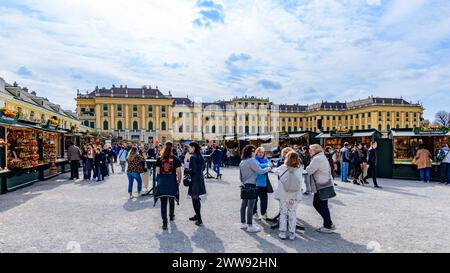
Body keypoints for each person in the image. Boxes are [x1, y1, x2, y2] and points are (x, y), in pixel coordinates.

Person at [271, 151, 303, 240]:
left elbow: (274, 171)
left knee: (283, 213)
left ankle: (282, 232)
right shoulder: (300, 168)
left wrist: (272, 167)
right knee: (292, 213)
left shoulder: (282, 167)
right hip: (295, 195)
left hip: (284, 195)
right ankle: (292, 233)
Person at [239, 145, 271, 233]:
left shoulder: (242, 162)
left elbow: (240, 177)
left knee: (243, 205)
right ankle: (250, 225)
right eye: (253, 151)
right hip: (252, 184)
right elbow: (260, 171)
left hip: (244, 185)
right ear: (250, 152)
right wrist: (268, 168)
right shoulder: (251, 161)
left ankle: (243, 223)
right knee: (250, 205)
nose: (254, 152)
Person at [305, 144, 336, 233]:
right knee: (322, 205)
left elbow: (309, 170)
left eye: (311, 150)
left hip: (320, 185)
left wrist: (306, 167)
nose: (309, 152)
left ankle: (328, 225)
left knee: (319, 204)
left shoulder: (317, 159)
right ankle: (329, 224)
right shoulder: (321, 157)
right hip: (324, 183)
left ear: (315, 150)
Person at [155, 142, 182, 230]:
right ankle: (171, 215)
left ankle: (164, 223)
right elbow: (179, 172)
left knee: (163, 203)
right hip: (172, 181)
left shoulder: (159, 159)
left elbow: (158, 171)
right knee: (171, 199)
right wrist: (179, 181)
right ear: (172, 148)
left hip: (162, 182)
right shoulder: (176, 159)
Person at [186, 142, 207, 226]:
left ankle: (199, 219)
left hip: (195, 181)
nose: (188, 149)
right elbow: (203, 168)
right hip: (200, 179)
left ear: (193, 147)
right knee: (197, 199)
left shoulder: (193, 157)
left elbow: (193, 170)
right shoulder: (200, 155)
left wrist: (187, 169)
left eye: (189, 147)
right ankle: (197, 215)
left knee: (195, 199)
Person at [253, 147, 271, 220]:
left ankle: (264, 213)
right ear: (256, 152)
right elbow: (258, 166)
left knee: (264, 200)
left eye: (262, 152)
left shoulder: (265, 159)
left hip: (264, 183)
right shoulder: (254, 159)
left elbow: (271, 164)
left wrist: (267, 164)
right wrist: (267, 165)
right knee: (254, 199)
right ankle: (254, 213)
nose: (261, 154)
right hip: (255, 183)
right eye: (259, 152)